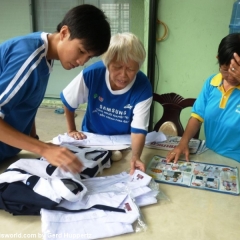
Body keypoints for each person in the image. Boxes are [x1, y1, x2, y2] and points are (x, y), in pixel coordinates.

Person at [0, 4, 111, 173]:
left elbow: (26, 102)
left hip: (8, 152)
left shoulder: (45, 56)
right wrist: (44, 149)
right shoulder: (29, 57)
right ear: (64, 33)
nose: (82, 62)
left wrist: (36, 141)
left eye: (88, 57)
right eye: (81, 51)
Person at [60, 32, 153, 175]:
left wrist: (136, 157)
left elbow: (139, 130)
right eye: (117, 67)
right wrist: (72, 130)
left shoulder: (143, 86)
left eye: (130, 69)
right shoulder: (92, 74)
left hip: (122, 142)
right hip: (91, 138)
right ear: (108, 63)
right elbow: (69, 101)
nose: (123, 75)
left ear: (138, 67)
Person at [166, 33, 240, 164]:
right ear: (218, 60)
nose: (231, 77)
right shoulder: (211, 83)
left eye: (236, 71)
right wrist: (183, 142)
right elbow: (197, 117)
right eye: (226, 70)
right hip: (210, 154)